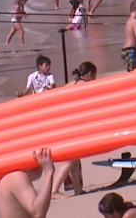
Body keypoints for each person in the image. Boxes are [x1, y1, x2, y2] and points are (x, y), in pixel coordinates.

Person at [51, 62, 97, 198]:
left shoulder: (69, 85)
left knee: (75, 158)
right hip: (74, 126)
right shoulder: (86, 87)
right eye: (94, 76)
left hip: (64, 124)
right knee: (70, 159)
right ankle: (53, 190)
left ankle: (77, 188)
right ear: (89, 75)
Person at [0, 148, 55, 218]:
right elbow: (38, 212)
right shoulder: (17, 176)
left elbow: (36, 174)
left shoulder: (4, 174)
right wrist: (49, 172)